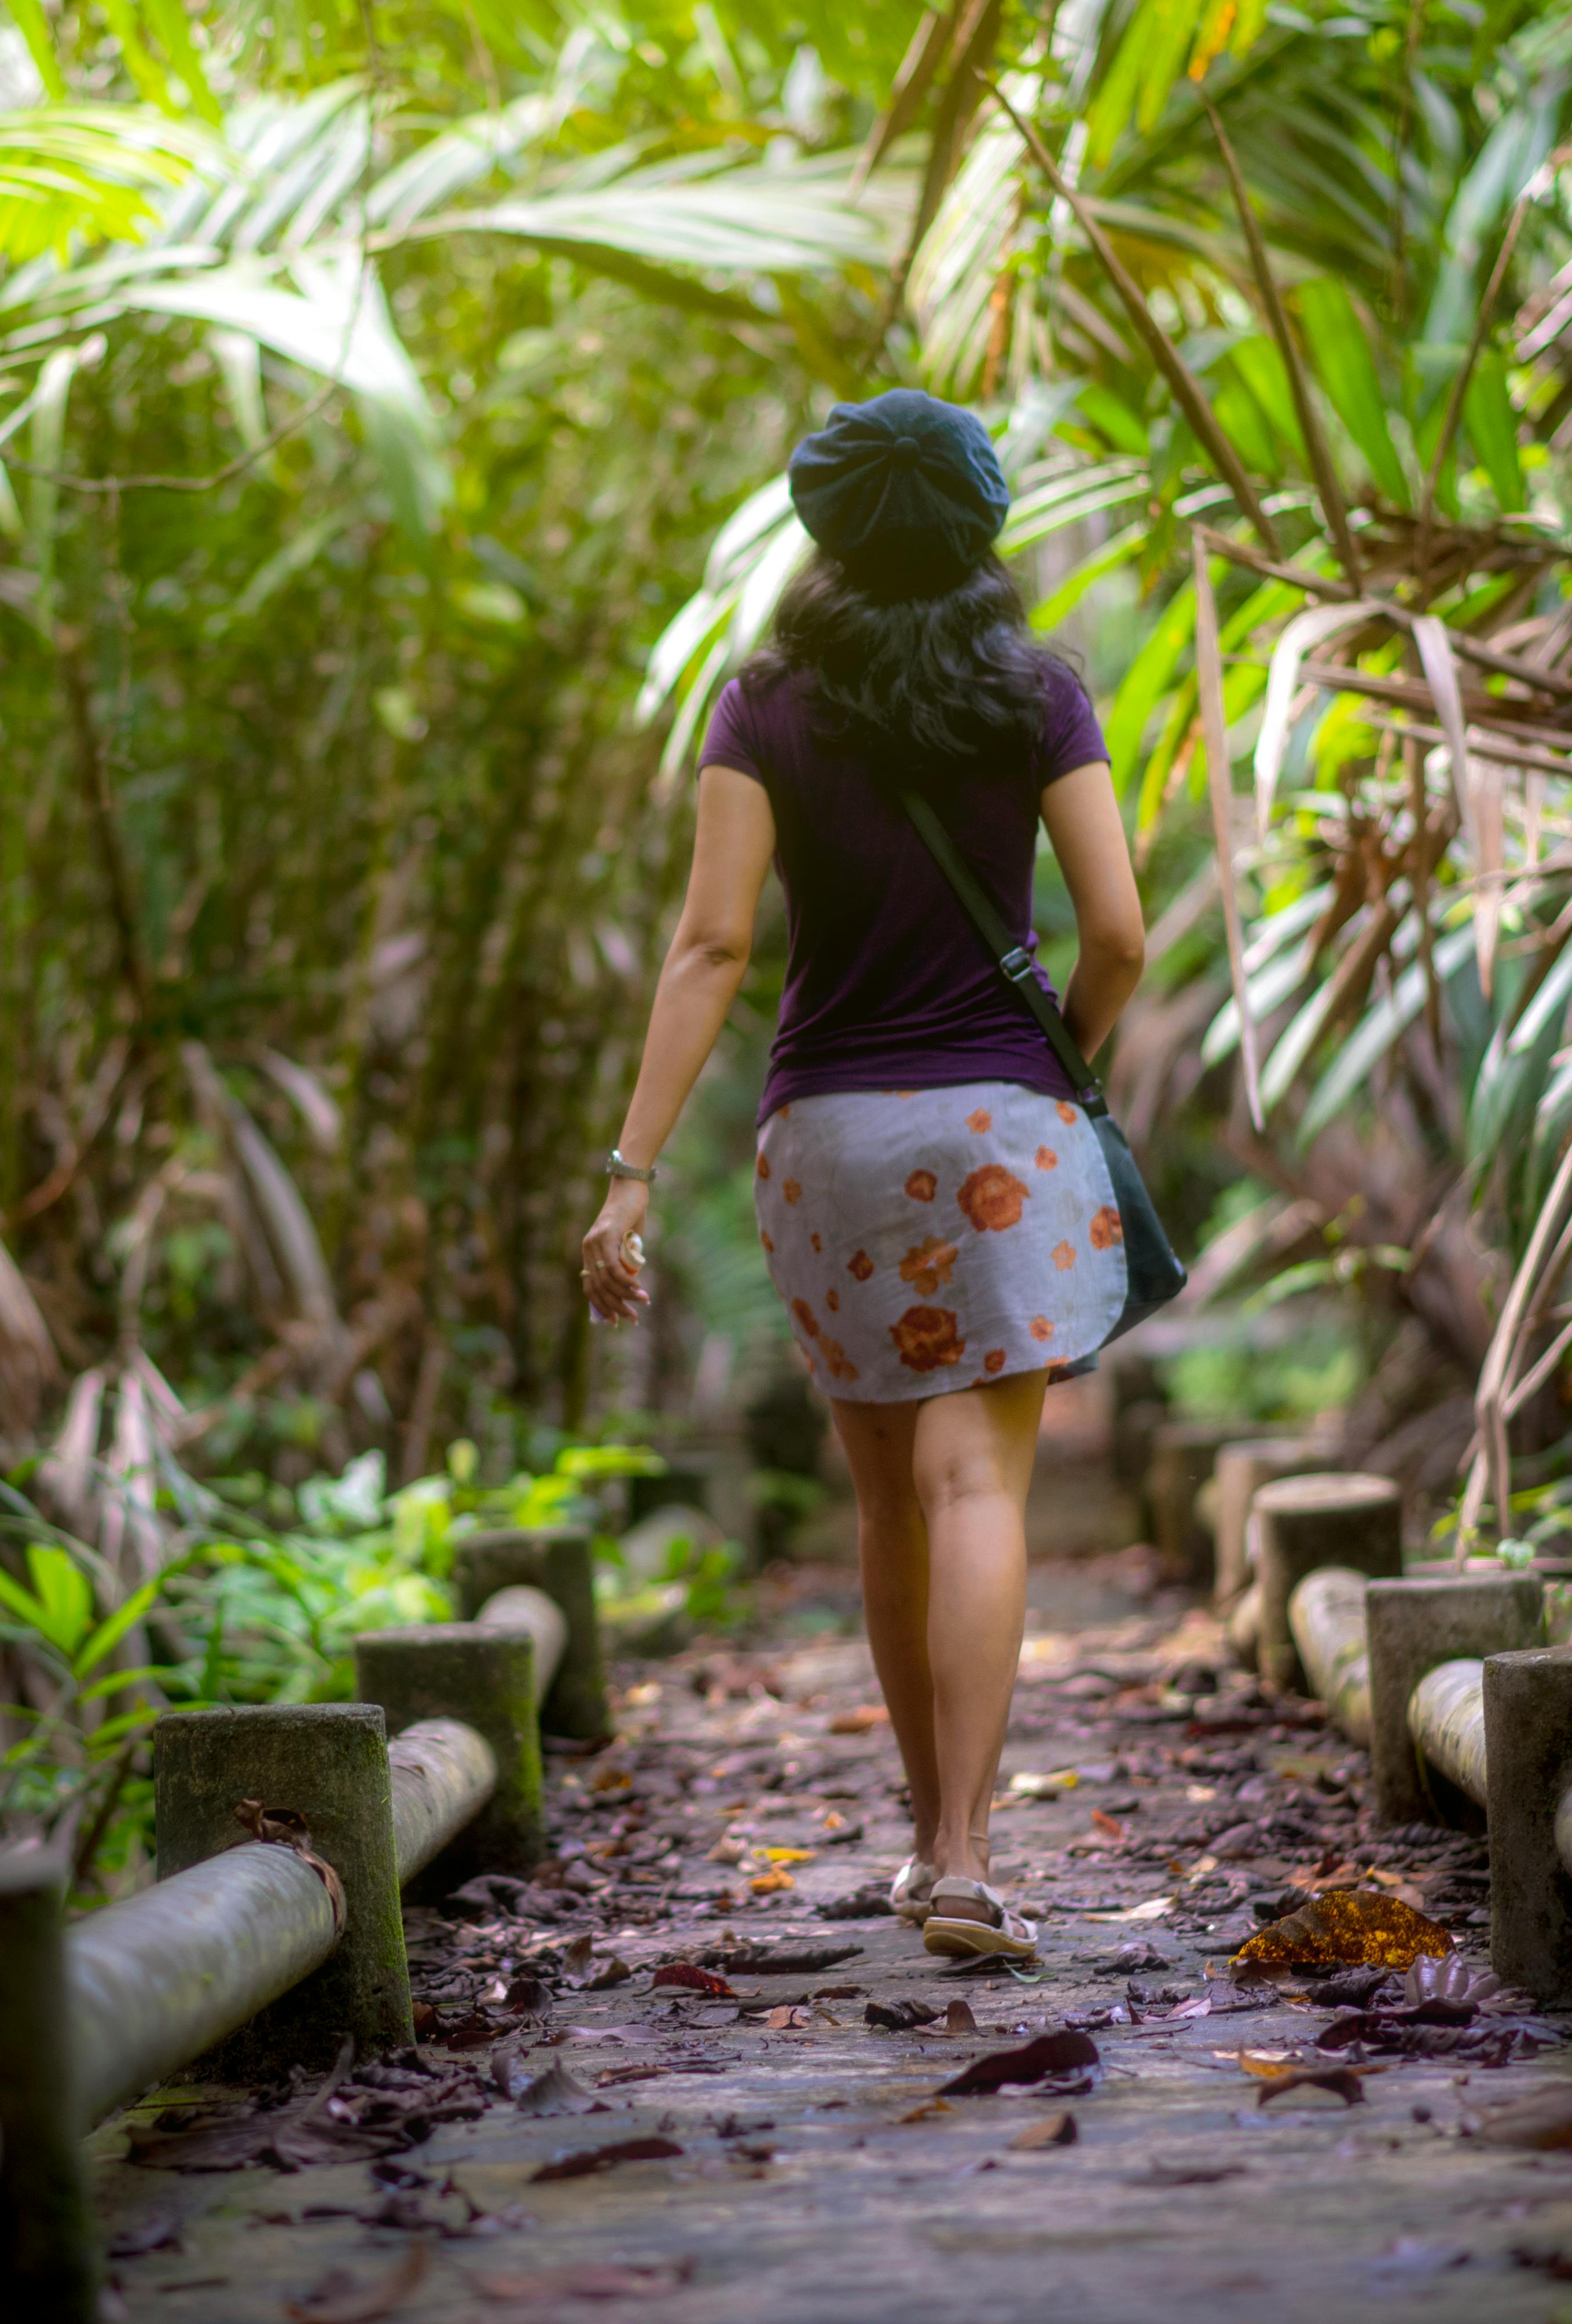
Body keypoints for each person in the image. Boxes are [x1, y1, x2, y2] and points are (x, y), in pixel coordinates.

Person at [580, 389, 1149, 1961]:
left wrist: (631, 1172)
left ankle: (923, 1842)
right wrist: (1060, 1064)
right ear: (984, 526)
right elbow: (1118, 933)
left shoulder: (766, 702)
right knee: (979, 1484)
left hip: (827, 1137)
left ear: (823, 529)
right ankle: (967, 1857)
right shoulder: (1040, 690)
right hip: (1002, 1137)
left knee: (890, 1501)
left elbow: (710, 946)